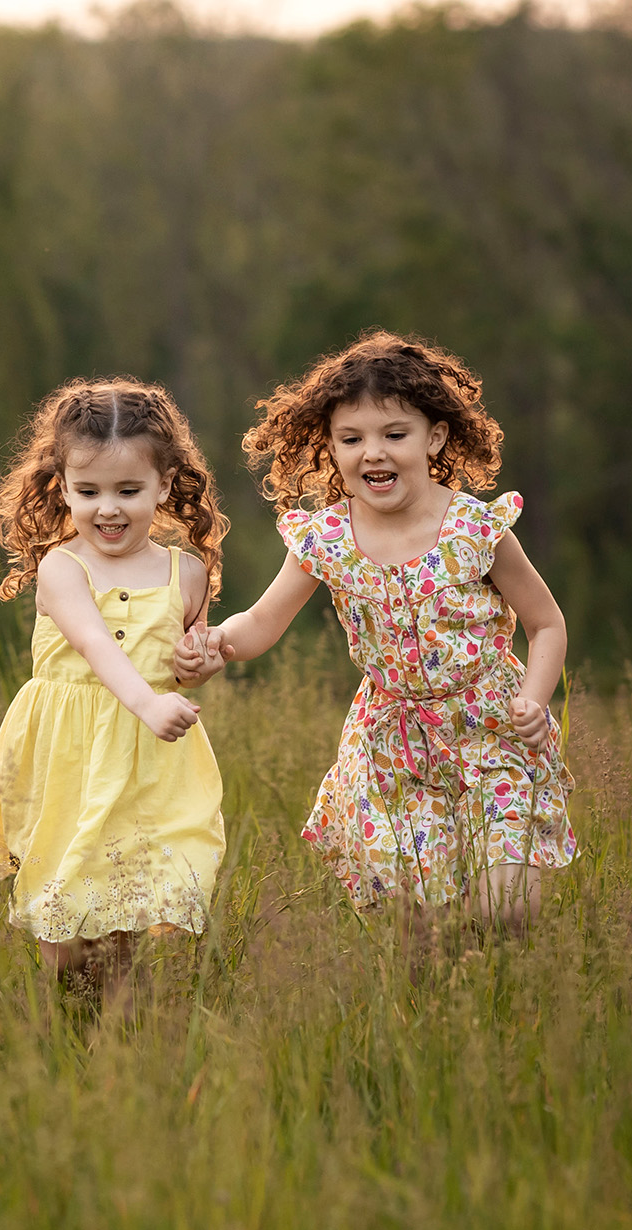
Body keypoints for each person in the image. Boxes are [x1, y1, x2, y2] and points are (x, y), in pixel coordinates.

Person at [174, 331, 575, 937]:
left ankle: (503, 1004)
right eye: (351, 439)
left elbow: (546, 623)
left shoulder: (475, 528)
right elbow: (260, 622)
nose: (373, 454)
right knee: (416, 929)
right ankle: (434, 1017)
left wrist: (535, 700)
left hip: (489, 730)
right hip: (389, 743)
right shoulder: (328, 538)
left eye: (395, 435)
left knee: (506, 909)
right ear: (330, 448)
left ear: (434, 437)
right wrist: (214, 645)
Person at [0, 378, 230, 1013]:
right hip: (71, 754)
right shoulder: (64, 568)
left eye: (128, 490)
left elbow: (189, 663)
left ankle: (123, 1037)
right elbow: (95, 644)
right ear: (61, 487)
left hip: (151, 764)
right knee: (67, 925)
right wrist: (148, 703)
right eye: (87, 492)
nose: (107, 509)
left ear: (165, 485)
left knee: (124, 914)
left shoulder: (187, 572)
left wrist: (194, 662)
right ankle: (69, 1024)